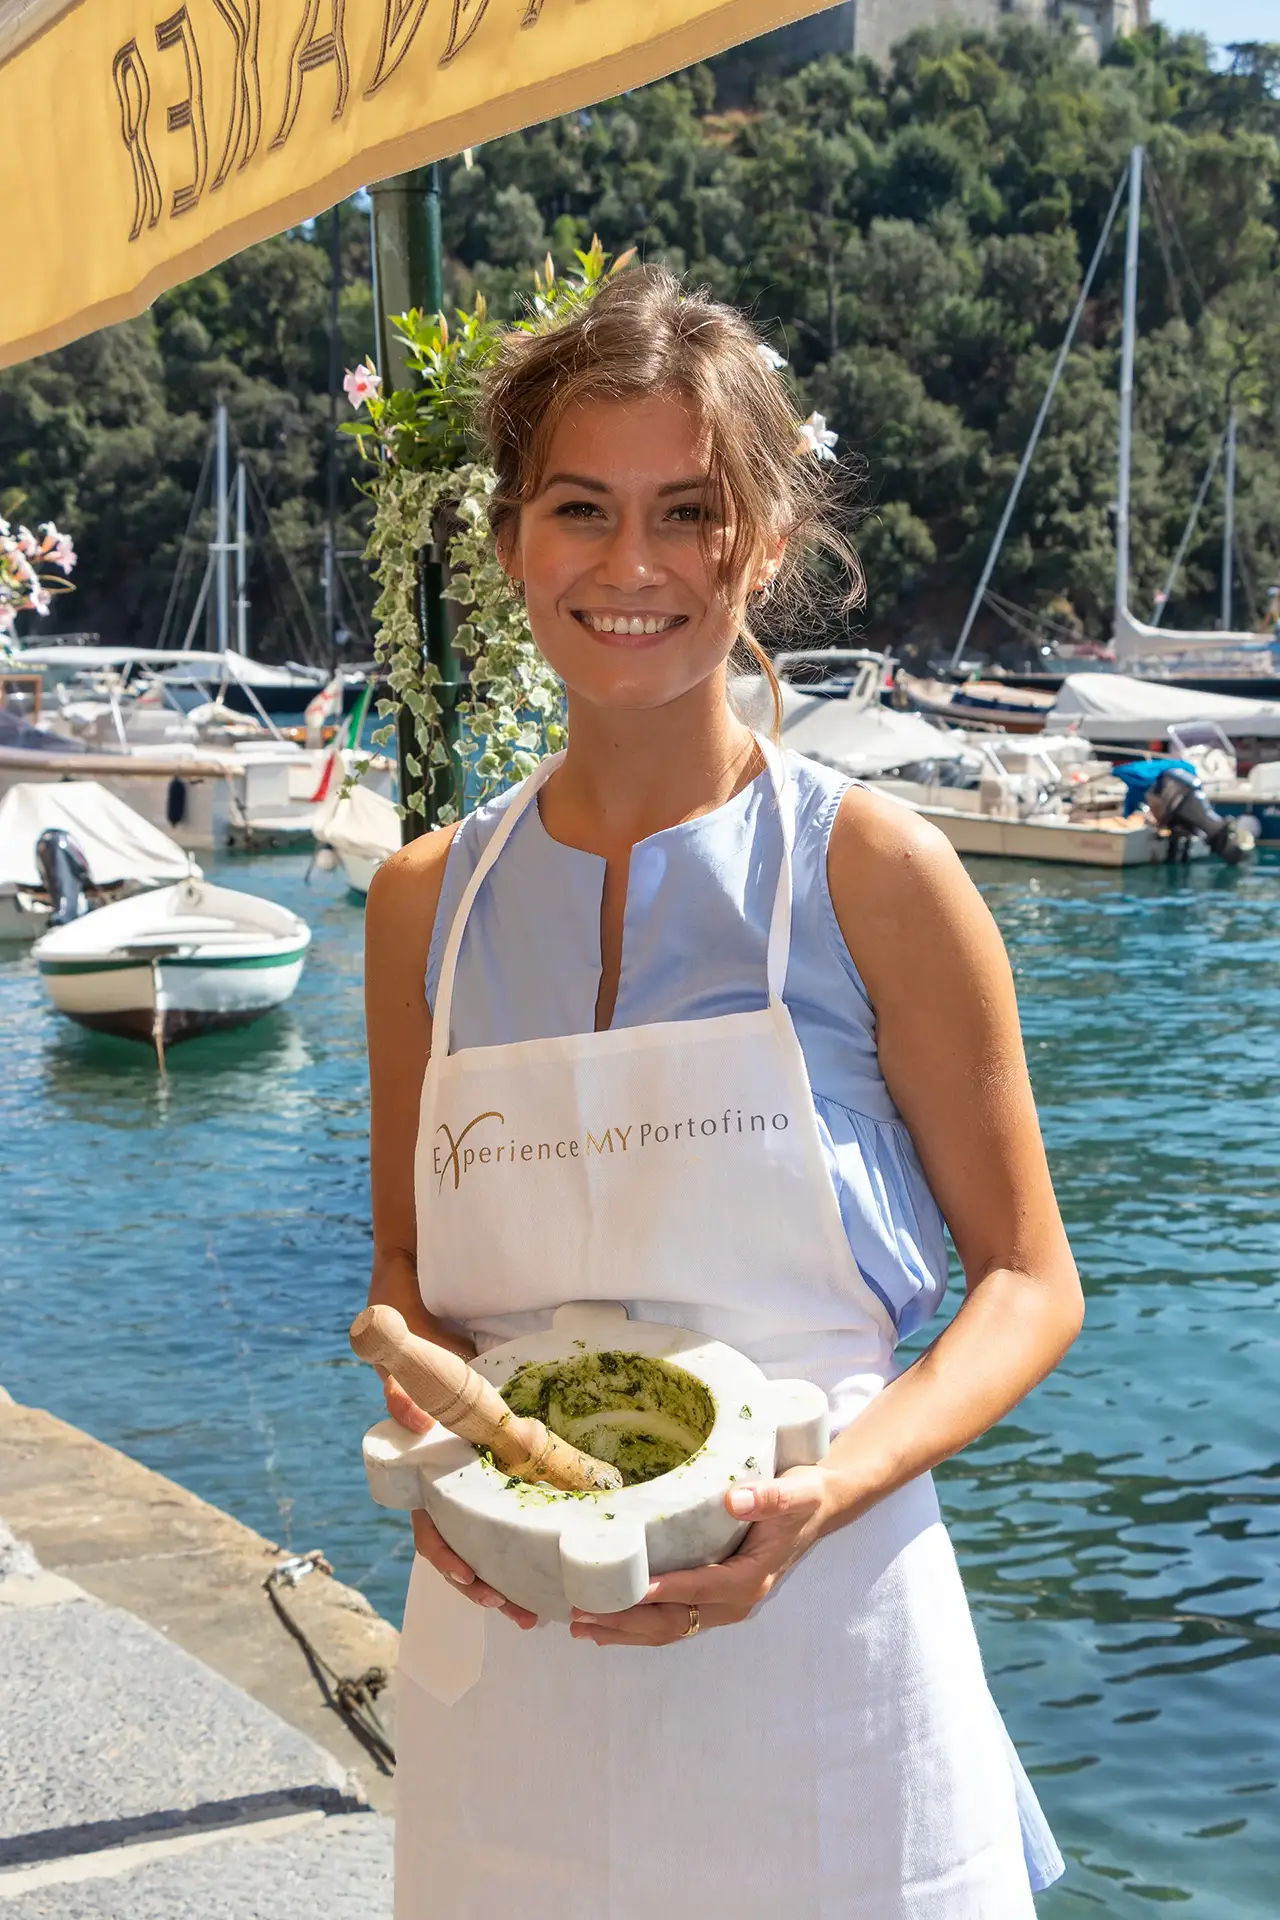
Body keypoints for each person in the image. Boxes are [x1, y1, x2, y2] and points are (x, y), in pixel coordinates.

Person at [364, 265, 1083, 1918]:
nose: (632, 567)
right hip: (511, 1659)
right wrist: (435, 1446)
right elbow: (407, 1275)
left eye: (688, 513)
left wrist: (820, 1493)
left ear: (759, 547)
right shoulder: (426, 903)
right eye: (580, 509)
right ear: (507, 543)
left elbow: (1031, 1282)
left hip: (822, 1641)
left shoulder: (876, 872)